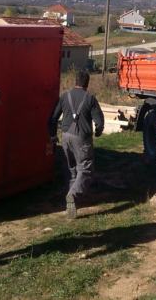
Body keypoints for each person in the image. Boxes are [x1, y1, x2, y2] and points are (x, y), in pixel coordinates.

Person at [48, 70, 105, 219]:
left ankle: (70, 201)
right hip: (82, 138)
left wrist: (53, 135)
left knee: (71, 169)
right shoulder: (90, 98)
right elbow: (99, 121)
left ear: (75, 81)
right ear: (87, 83)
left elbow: (53, 118)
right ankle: (73, 195)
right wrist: (98, 131)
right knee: (85, 169)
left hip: (66, 136)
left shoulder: (64, 96)